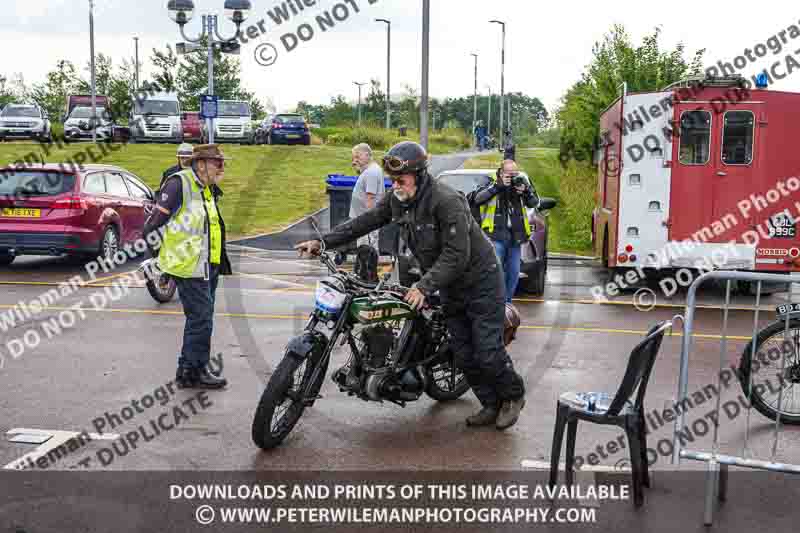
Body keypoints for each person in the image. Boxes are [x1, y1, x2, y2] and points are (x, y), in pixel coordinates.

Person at [295, 141, 526, 430]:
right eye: (393, 181)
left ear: (419, 175)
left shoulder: (446, 201)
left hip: (480, 281)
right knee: (464, 353)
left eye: (401, 180)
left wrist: (424, 286)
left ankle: (513, 396)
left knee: (487, 350)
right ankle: (490, 404)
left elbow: (457, 254)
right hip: (448, 283)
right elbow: (365, 221)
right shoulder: (398, 198)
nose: (396, 186)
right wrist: (323, 242)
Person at [143, 144, 233, 389]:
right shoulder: (178, 184)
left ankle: (188, 370)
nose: (222, 167)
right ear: (201, 163)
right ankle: (194, 372)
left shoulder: (205, 188)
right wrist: (160, 261)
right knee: (201, 319)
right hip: (189, 267)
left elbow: (210, 227)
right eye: (218, 163)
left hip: (208, 266)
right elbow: (151, 227)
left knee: (201, 319)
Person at [469, 159, 537, 303]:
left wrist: (526, 191)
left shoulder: (521, 183)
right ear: (501, 172)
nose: (513, 178)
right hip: (495, 236)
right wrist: (498, 186)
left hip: (515, 237)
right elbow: (477, 199)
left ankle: (506, 304)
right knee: (495, 273)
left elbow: (534, 203)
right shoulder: (491, 182)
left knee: (513, 273)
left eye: (515, 174)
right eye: (509, 174)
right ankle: (494, 303)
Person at [350, 143, 386, 281]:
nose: (355, 160)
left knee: (367, 252)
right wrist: (358, 168)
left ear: (367, 154)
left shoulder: (371, 172)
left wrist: (367, 223)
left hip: (366, 223)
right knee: (365, 252)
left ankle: (367, 280)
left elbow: (370, 199)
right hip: (364, 221)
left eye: (358, 156)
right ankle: (365, 277)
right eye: (354, 157)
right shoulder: (370, 170)